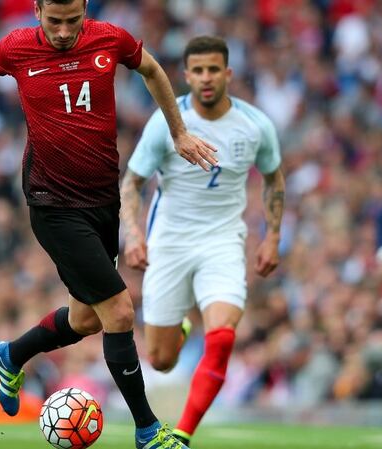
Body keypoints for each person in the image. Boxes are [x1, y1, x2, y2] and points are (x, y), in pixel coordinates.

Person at [0, 1, 217, 448]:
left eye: (72, 21)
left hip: (102, 201)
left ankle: (12, 355)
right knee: (119, 310)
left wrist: (178, 132)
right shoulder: (17, 46)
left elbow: (155, 72)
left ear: (84, 10)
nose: (63, 31)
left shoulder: (110, 38)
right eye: (53, 20)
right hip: (53, 204)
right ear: (37, 9)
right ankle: (148, 430)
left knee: (86, 319)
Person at [120, 36, 285, 446]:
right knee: (160, 360)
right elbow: (133, 182)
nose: (207, 78)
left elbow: (273, 179)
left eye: (214, 69)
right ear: (187, 75)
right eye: (198, 70)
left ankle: (182, 435)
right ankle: (185, 324)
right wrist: (134, 232)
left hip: (223, 240)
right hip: (171, 241)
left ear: (227, 73)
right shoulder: (165, 122)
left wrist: (272, 237)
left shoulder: (256, 125)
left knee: (224, 334)